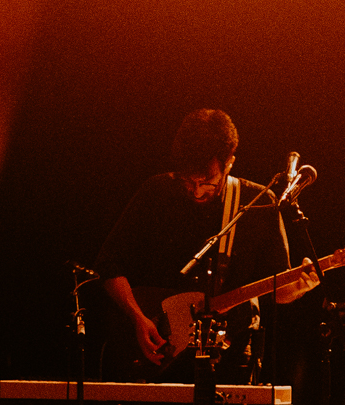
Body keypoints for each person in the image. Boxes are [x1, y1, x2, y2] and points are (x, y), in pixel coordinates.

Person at [96, 108, 317, 379]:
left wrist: (300, 287)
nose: (197, 190)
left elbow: (276, 290)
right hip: (154, 352)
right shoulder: (157, 192)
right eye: (188, 180)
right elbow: (108, 264)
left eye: (207, 182)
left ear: (229, 163)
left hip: (230, 359)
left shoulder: (258, 203)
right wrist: (138, 319)